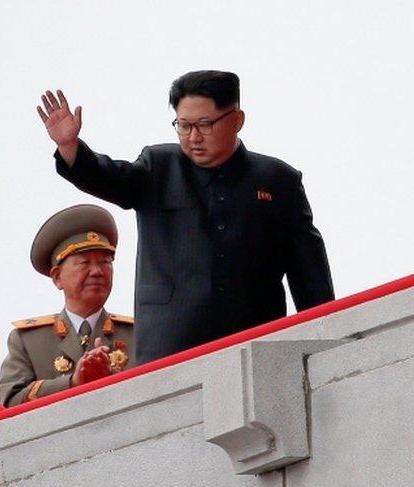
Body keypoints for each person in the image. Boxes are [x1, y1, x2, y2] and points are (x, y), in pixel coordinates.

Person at [37, 70, 334, 364]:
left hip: (254, 347)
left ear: (237, 120)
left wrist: (327, 340)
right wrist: (70, 147)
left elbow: (310, 278)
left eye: (205, 125)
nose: (193, 137)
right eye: (183, 125)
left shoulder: (278, 181)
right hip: (169, 349)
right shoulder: (159, 167)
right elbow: (111, 178)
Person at [0, 204, 135, 407]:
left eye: (105, 262)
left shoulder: (138, 333)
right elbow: (10, 399)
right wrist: (73, 382)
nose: (97, 271)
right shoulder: (28, 340)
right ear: (57, 277)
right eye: (84, 263)